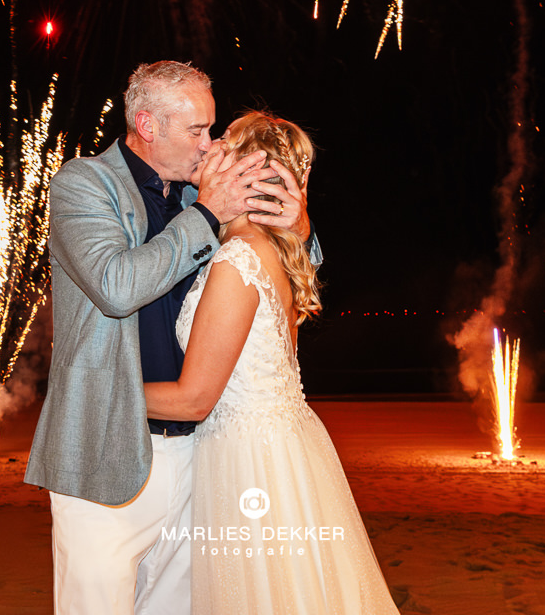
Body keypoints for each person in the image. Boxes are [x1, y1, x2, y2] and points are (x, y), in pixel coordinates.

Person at [24, 62, 312, 615]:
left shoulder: (193, 196)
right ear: (148, 125)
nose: (208, 146)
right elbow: (115, 286)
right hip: (108, 447)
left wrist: (299, 225)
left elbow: (279, 271)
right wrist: (205, 214)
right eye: (197, 131)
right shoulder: (84, 183)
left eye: (211, 130)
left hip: (199, 451)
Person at [144, 112, 401, 614]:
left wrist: (100, 390)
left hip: (248, 461)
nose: (208, 146)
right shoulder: (271, 252)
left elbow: (195, 399)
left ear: (243, 171)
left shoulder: (238, 261)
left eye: (221, 141)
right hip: (281, 448)